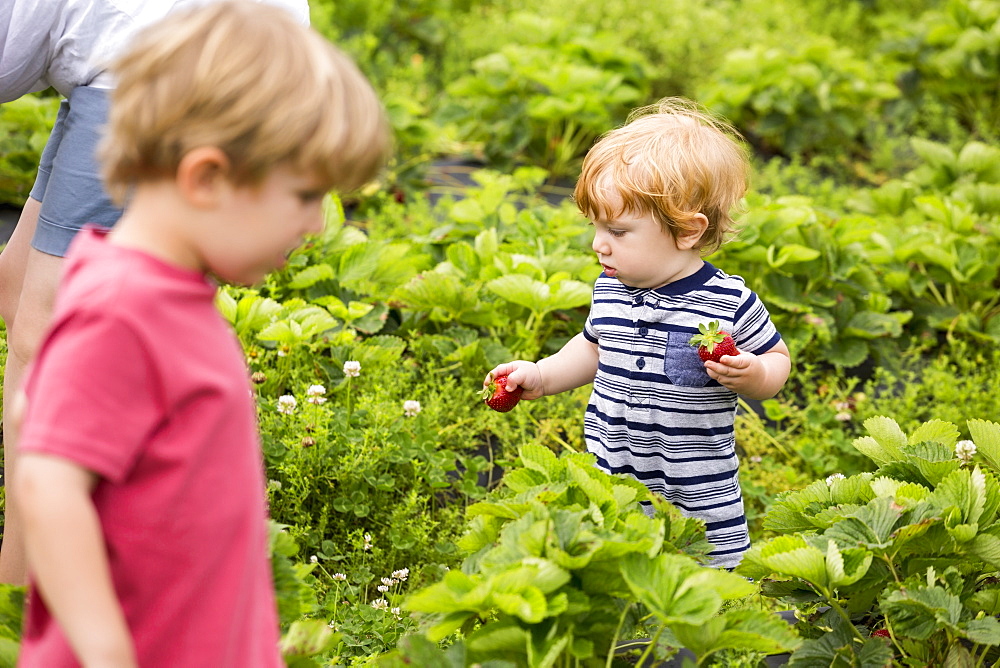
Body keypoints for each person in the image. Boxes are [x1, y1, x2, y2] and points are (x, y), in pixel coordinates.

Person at [10, 1, 389, 664]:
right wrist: (103, 648)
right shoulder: (122, 310)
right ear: (208, 177)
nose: (316, 227)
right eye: (303, 196)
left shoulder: (171, 300)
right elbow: (49, 477)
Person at [0, 0, 309, 586]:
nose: (314, 224)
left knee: (51, 342)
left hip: (161, 72)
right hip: (128, 57)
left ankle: (25, 598)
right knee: (20, 288)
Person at [485, 98, 790, 570]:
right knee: (618, 563)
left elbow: (778, 359)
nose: (597, 243)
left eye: (618, 230)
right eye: (596, 227)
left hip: (694, 484)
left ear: (687, 231)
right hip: (615, 471)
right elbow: (592, 345)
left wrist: (753, 375)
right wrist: (543, 376)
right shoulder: (610, 287)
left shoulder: (726, 302)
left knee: (709, 575)